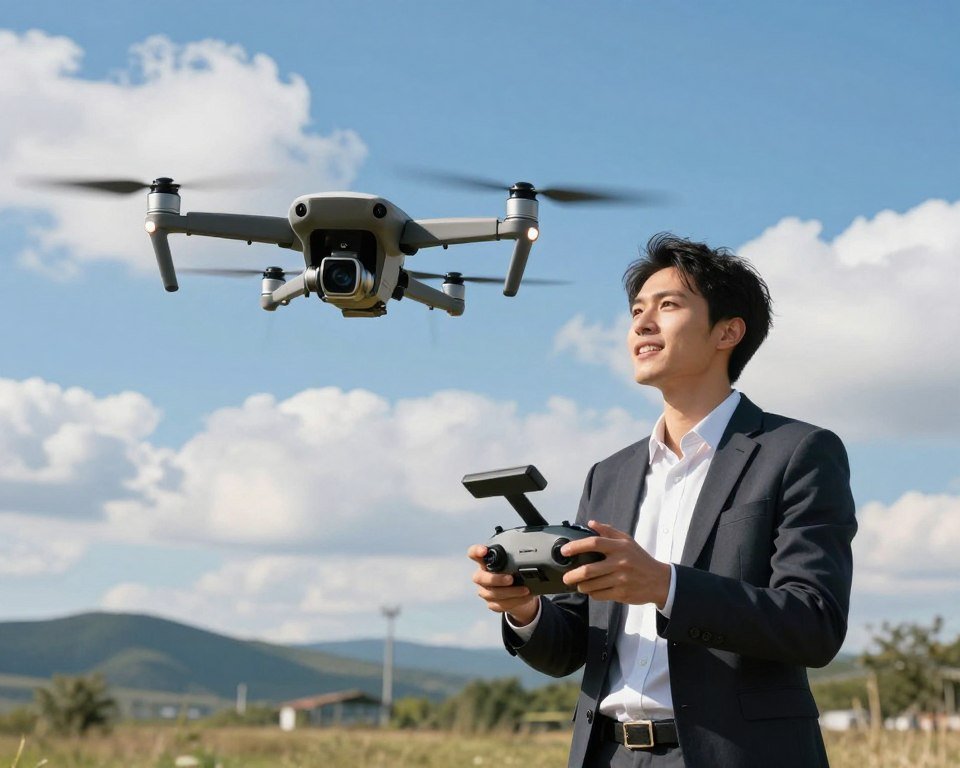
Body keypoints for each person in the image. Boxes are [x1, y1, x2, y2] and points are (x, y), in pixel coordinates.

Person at [468, 233, 857, 768]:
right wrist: (524, 611)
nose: (641, 324)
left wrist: (666, 585)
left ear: (728, 331)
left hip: (737, 755)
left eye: (667, 305)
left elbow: (815, 623)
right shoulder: (610, 474)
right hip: (607, 754)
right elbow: (573, 646)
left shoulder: (798, 452)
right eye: (636, 311)